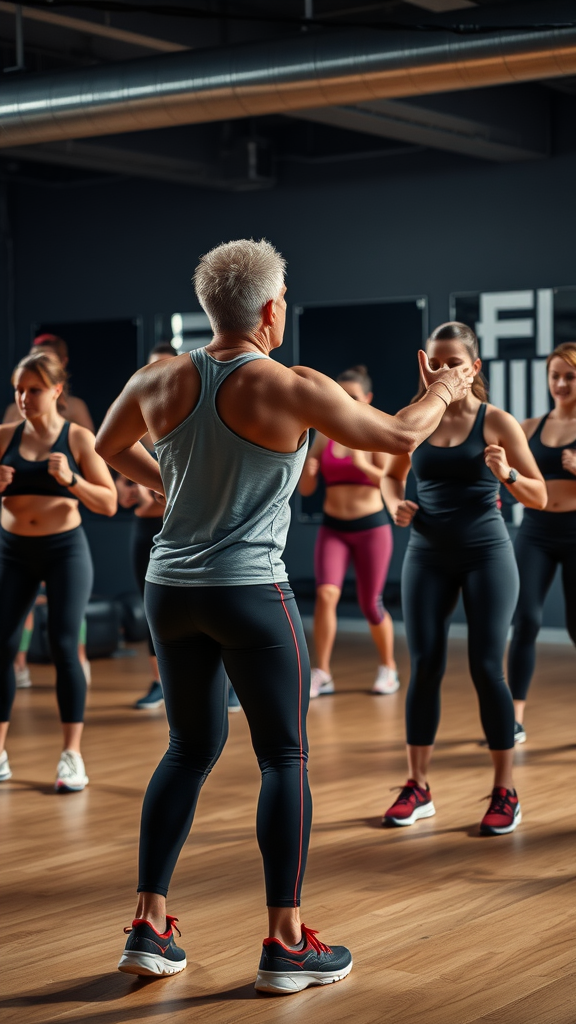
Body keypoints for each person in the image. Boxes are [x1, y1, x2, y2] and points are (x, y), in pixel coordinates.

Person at [95, 239, 473, 992]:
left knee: (187, 749)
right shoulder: (290, 384)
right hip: (249, 594)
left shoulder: (157, 378)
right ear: (272, 310)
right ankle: (287, 943)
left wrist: (178, 489)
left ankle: (148, 925)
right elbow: (400, 434)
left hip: (169, 589)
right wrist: (449, 388)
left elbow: (109, 448)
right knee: (283, 760)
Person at [381, 322, 546, 836]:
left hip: (486, 554)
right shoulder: (416, 421)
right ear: (424, 363)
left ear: (473, 368)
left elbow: (539, 496)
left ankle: (505, 791)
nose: (444, 370)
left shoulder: (497, 423)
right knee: (425, 665)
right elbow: (390, 474)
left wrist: (509, 475)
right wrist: (396, 507)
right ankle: (417, 787)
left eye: (455, 362)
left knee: (484, 667)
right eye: (436, 361)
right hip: (427, 554)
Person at [0, 350, 117, 790]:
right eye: (18, 390)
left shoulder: (79, 439)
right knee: (2, 647)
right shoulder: (4, 435)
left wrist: (71, 480)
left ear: (55, 390)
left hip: (64, 550)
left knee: (64, 648)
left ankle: (72, 756)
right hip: (11, 551)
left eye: (33, 389)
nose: (24, 397)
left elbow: (107, 503)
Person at [298, 365, 398, 697]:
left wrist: (361, 462)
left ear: (367, 398)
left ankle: (389, 668)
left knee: (371, 603)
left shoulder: (377, 430)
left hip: (371, 528)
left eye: (353, 396)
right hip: (333, 528)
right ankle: (322, 673)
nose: (346, 402)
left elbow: (388, 483)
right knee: (326, 595)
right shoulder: (325, 433)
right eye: (341, 396)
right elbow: (307, 490)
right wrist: (308, 472)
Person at [507, 341, 576, 743]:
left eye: (570, 376)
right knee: (526, 619)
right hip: (535, 531)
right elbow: (515, 482)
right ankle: (514, 718)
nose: (561, 384)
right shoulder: (530, 428)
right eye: (555, 376)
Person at [3, 334, 94, 430]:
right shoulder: (13, 412)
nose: (37, 367)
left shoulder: (76, 407)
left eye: (35, 390)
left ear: (63, 362)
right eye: (33, 359)